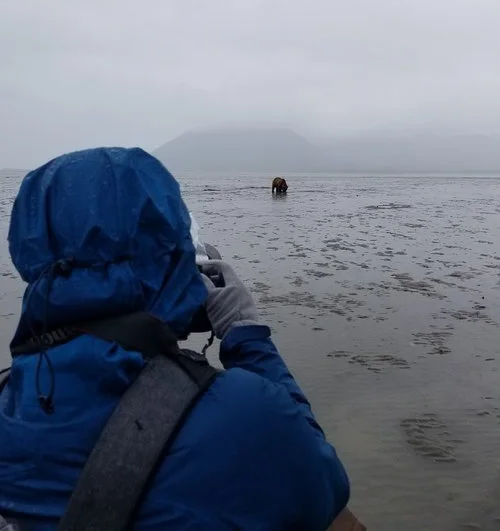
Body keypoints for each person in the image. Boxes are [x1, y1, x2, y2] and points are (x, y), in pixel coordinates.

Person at [0, 147, 350, 530]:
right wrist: (247, 337)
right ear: (173, 260)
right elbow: (321, 483)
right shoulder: (244, 418)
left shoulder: (8, 402)